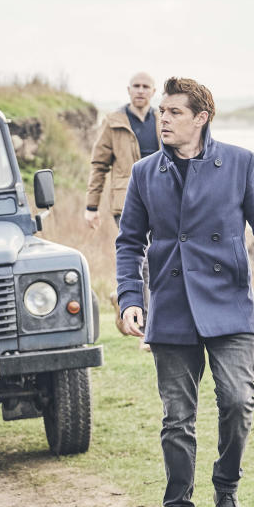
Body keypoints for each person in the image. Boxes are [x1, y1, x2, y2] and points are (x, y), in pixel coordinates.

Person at [115, 78, 254, 507]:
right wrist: (131, 299)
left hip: (228, 304)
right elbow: (129, 243)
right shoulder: (143, 173)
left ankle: (227, 488)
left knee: (237, 402)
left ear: (202, 118)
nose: (164, 119)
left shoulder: (239, 163)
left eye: (175, 112)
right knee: (177, 418)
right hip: (172, 307)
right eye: (161, 111)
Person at [85, 72, 159, 347]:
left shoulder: (163, 120)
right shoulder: (114, 122)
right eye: (136, 86)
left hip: (162, 203)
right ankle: (149, 330)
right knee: (147, 261)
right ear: (129, 90)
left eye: (145, 87)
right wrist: (91, 206)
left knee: (158, 260)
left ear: (153, 91)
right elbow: (99, 164)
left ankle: (123, 296)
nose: (140, 91)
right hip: (126, 203)